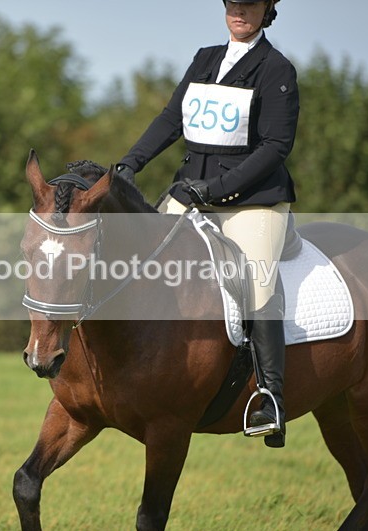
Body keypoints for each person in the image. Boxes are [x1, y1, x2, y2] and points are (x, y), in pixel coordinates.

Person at [116, 0, 298, 448]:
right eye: (233, 3)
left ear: (266, 9)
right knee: (141, 262)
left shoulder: (277, 69)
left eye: (249, 4)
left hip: (253, 203)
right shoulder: (205, 58)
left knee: (256, 281)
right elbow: (171, 119)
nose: (239, 11)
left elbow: (275, 147)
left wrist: (215, 189)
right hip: (193, 193)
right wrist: (129, 163)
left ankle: (269, 397)